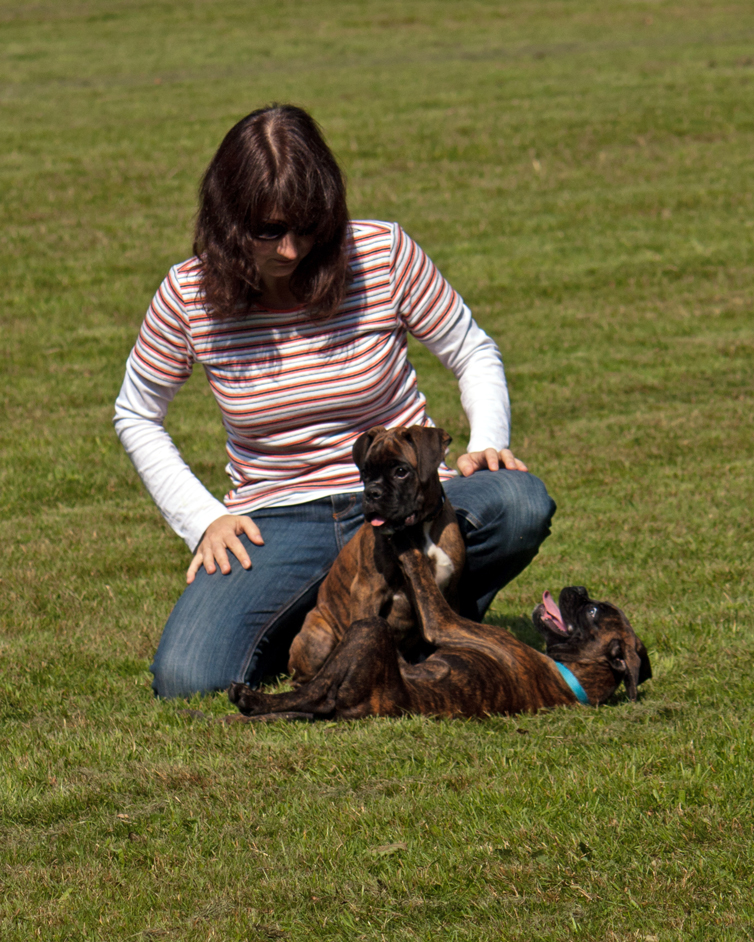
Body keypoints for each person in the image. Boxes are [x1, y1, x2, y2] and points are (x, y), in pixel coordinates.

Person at [114, 104, 555, 699]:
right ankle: (330, 617)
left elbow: (472, 349)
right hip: (276, 521)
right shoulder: (188, 295)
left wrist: (487, 443)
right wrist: (204, 521)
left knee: (520, 502)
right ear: (227, 218)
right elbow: (137, 412)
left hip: (404, 502)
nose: (292, 250)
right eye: (269, 231)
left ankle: (424, 624)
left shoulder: (383, 253)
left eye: (308, 228)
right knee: (188, 680)